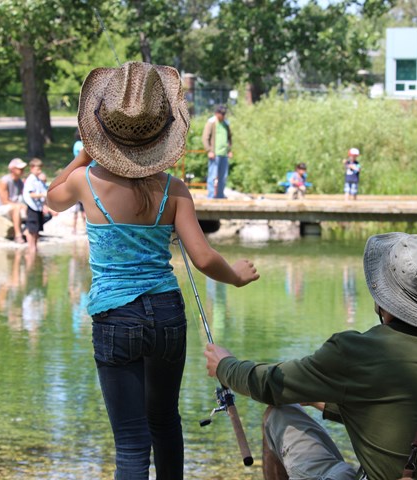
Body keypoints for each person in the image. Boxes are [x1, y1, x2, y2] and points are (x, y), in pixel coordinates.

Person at [46, 61, 260, 479]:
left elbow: (51, 198)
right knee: (164, 421)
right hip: (166, 315)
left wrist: (88, 150)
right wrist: (234, 275)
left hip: (115, 316)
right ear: (162, 133)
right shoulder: (175, 190)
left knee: (130, 440)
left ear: (102, 130)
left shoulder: (84, 182)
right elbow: (202, 258)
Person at [204, 233, 417, 480]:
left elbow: (268, 386)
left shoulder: (356, 351)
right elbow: (395, 412)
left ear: (383, 297)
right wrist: (317, 399)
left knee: (279, 414)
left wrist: (224, 365)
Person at [202, 104, 232, 199]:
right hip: (214, 154)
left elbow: (229, 138)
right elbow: (205, 138)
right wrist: (209, 150)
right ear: (216, 113)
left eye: (224, 113)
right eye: (221, 113)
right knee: (212, 176)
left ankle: (220, 195)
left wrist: (229, 150)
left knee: (223, 177)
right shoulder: (211, 122)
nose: (223, 115)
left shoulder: (226, 123)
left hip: (224, 154)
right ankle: (211, 195)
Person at [0, 158, 27, 243]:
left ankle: (29, 232)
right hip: (3, 207)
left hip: (16, 205)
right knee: (16, 208)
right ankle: (18, 235)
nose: (22, 170)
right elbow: (4, 201)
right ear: (12, 169)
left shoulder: (20, 182)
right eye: (20, 169)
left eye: (23, 169)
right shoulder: (4, 181)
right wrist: (19, 205)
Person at [22, 158, 49, 253]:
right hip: (32, 206)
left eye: (40, 169)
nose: (40, 171)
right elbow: (31, 194)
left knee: (37, 228)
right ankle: (31, 246)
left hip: (38, 207)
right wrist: (43, 195)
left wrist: (44, 205)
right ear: (32, 168)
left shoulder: (38, 180)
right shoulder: (31, 180)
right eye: (38, 169)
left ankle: (35, 245)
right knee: (32, 228)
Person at [71, 128, 87, 234]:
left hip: (85, 172)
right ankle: (74, 228)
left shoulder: (78, 144)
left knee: (83, 205)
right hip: (82, 172)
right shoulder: (79, 145)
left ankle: (83, 227)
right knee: (79, 205)